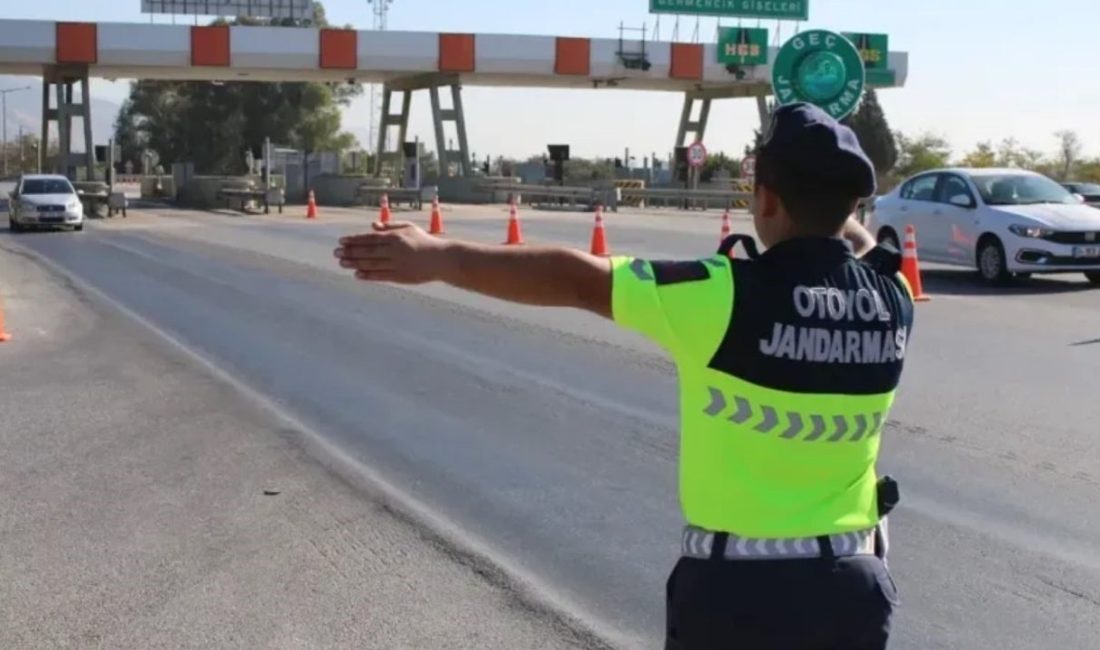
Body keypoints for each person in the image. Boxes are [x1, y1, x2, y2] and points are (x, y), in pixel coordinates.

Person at [334, 102, 914, 649]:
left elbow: (577, 278)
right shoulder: (894, 299)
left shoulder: (725, 295)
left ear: (764, 201)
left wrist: (438, 256)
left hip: (740, 596)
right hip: (852, 589)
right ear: (851, 207)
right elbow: (855, 245)